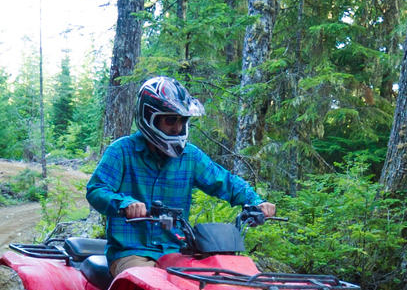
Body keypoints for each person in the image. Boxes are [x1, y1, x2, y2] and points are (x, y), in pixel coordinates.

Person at [84, 76, 274, 274]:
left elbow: (225, 182)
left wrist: (256, 202)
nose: (178, 127)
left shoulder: (189, 156)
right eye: (170, 120)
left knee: (214, 283)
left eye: (182, 120)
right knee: (148, 284)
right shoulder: (122, 151)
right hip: (132, 252)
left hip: (177, 252)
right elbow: (96, 190)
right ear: (149, 117)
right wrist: (124, 204)